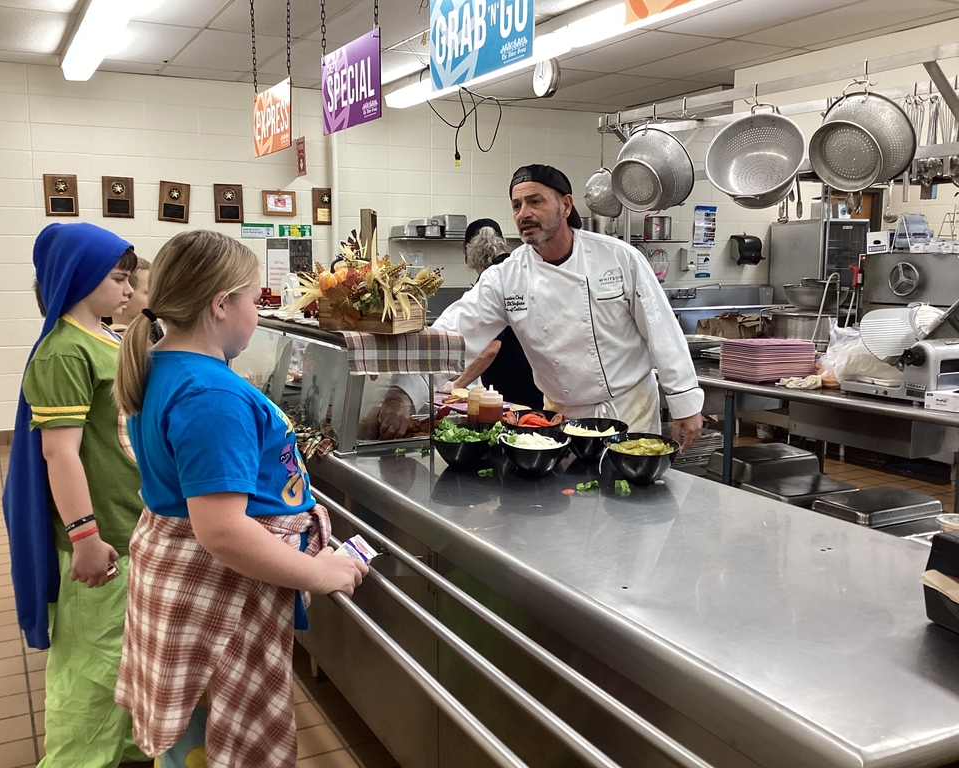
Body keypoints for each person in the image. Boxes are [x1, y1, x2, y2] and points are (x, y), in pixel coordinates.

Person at [112, 229, 368, 767]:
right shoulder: (212, 395)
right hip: (219, 596)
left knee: (194, 745)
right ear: (220, 304)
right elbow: (222, 530)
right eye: (254, 299)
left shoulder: (165, 367)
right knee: (220, 747)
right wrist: (319, 573)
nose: (258, 311)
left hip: (189, 582)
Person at [379, 164, 703, 450]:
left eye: (535, 201)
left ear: (565, 205)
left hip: (629, 409)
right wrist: (401, 391)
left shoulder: (619, 258)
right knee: (568, 509)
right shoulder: (506, 277)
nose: (524, 213)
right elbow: (452, 334)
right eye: (517, 205)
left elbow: (662, 331)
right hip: (559, 417)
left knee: (629, 510)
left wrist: (684, 402)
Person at [2, 222, 151, 767]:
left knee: (129, 654)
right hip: (102, 536)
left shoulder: (107, 338)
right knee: (91, 666)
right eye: (119, 279)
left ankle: (131, 749)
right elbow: (59, 455)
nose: (130, 290)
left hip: (132, 528)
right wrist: (84, 536)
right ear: (81, 278)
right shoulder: (64, 352)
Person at [439, 218, 544, 410]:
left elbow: (491, 348)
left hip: (514, 391)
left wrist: (457, 384)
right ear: (502, 242)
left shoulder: (494, 280)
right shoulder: (518, 271)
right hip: (536, 383)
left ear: (469, 255)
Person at [109, 256, 151, 336]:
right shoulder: (110, 340)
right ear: (123, 298)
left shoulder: (156, 332)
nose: (155, 297)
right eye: (148, 292)